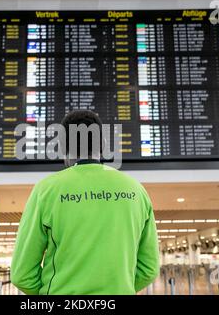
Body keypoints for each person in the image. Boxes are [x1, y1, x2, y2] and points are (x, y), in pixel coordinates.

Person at [11, 110, 159, 295]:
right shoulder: (136, 190)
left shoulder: (46, 190)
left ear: (62, 146)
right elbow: (149, 269)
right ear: (104, 144)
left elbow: (21, 274)